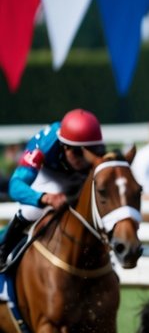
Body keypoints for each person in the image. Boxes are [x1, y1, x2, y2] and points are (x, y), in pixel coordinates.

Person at [0, 109, 107, 270]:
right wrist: (44, 198)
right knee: (32, 210)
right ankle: (4, 248)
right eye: (77, 152)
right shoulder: (44, 147)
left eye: (89, 152)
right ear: (64, 147)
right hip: (50, 173)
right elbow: (15, 186)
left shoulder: (98, 152)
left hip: (80, 177)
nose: (84, 158)